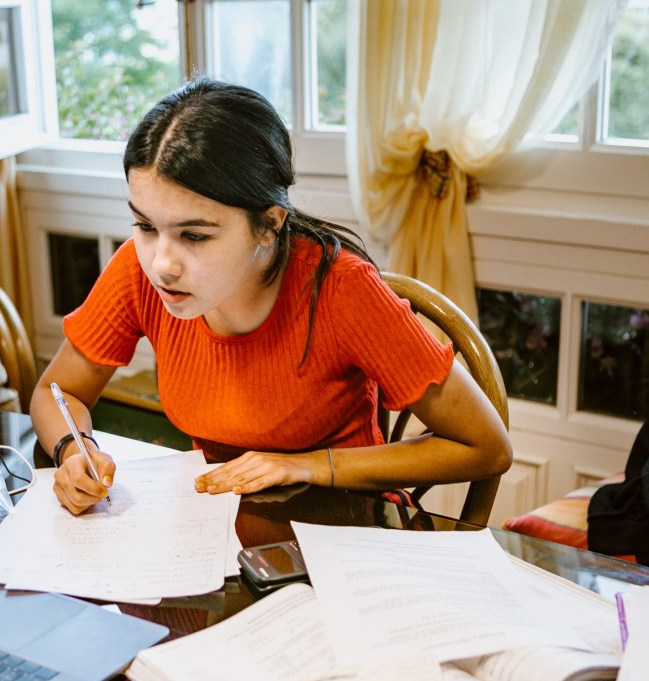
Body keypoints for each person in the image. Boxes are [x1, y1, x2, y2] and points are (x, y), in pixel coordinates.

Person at [31, 77, 512, 515]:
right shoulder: (139, 273)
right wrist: (75, 450)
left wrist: (304, 465)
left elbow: (486, 447)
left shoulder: (341, 289)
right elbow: (59, 392)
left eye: (195, 236)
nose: (162, 263)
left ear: (269, 224)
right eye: (145, 226)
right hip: (219, 520)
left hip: (344, 523)